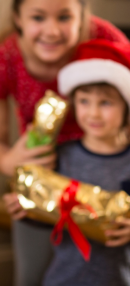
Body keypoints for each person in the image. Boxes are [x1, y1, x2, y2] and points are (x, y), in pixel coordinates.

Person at [0, 0, 129, 284]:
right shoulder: (0, 60)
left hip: (111, 176)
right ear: (17, 17)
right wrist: (11, 163)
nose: (51, 30)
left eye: (64, 17)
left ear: (82, 16)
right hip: (42, 184)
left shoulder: (109, 44)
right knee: (32, 275)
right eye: (38, 17)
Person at [42, 39, 130, 285]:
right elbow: (46, 212)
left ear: (126, 107)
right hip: (63, 278)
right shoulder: (62, 156)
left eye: (106, 102)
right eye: (84, 101)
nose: (93, 113)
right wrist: (23, 210)